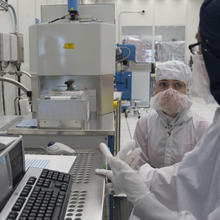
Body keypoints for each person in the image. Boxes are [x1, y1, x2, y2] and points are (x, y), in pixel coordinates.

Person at [96, 0, 220, 219]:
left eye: (201, 48)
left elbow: (196, 185)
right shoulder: (146, 123)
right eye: (163, 84)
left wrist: (142, 194)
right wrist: (135, 177)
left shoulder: (203, 126)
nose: (170, 92)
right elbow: (187, 177)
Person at [118, 61, 210, 169]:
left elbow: (200, 173)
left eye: (177, 85)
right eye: (163, 84)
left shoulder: (202, 128)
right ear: (156, 88)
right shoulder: (144, 124)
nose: (169, 92)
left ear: (187, 90)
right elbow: (139, 168)